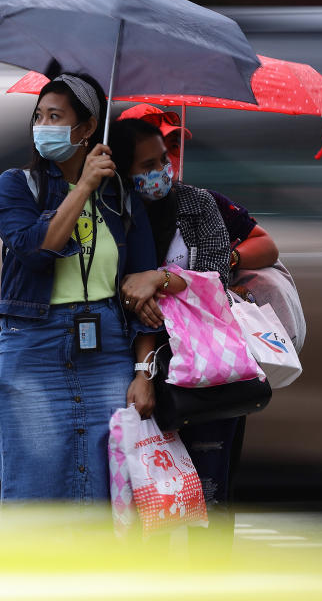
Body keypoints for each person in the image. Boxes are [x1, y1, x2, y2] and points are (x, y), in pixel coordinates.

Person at [0, 73, 160, 503]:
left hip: (107, 348)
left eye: (55, 116)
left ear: (87, 129)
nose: (43, 125)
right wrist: (82, 186)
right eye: (39, 116)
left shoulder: (119, 194)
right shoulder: (16, 185)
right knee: (35, 480)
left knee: (106, 481)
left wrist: (143, 373)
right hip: (33, 343)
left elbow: (142, 292)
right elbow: (36, 249)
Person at [110, 117, 240, 546]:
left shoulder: (198, 204)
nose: (162, 171)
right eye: (147, 164)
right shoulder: (110, 213)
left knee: (210, 496)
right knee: (152, 494)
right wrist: (135, 294)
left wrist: (159, 281)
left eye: (163, 159)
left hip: (205, 367)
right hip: (137, 370)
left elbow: (217, 278)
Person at [118, 104, 279, 274]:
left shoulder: (201, 203)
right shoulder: (107, 207)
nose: (167, 160)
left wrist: (225, 258)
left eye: (173, 146)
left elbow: (265, 245)